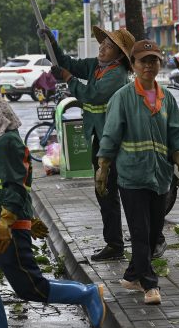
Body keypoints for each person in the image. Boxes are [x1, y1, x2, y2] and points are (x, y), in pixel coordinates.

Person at [0, 86, 105, 328]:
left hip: (4, 228)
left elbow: (17, 182)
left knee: (30, 287)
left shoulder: (7, 141)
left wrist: (10, 221)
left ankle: (87, 293)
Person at [97, 40, 179, 306]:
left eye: (153, 61)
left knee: (153, 234)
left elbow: (176, 135)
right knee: (140, 232)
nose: (148, 66)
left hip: (160, 176)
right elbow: (110, 134)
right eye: (143, 61)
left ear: (159, 64)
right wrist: (103, 166)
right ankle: (150, 285)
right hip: (131, 175)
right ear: (134, 65)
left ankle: (132, 274)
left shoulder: (167, 98)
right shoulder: (123, 97)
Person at [39, 25, 133, 261]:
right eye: (102, 44)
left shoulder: (117, 74)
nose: (102, 48)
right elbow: (68, 63)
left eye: (109, 46)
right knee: (103, 192)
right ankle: (114, 243)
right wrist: (51, 41)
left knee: (113, 192)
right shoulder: (97, 66)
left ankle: (124, 243)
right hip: (99, 137)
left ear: (120, 55)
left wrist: (68, 78)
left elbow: (91, 95)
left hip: (114, 141)